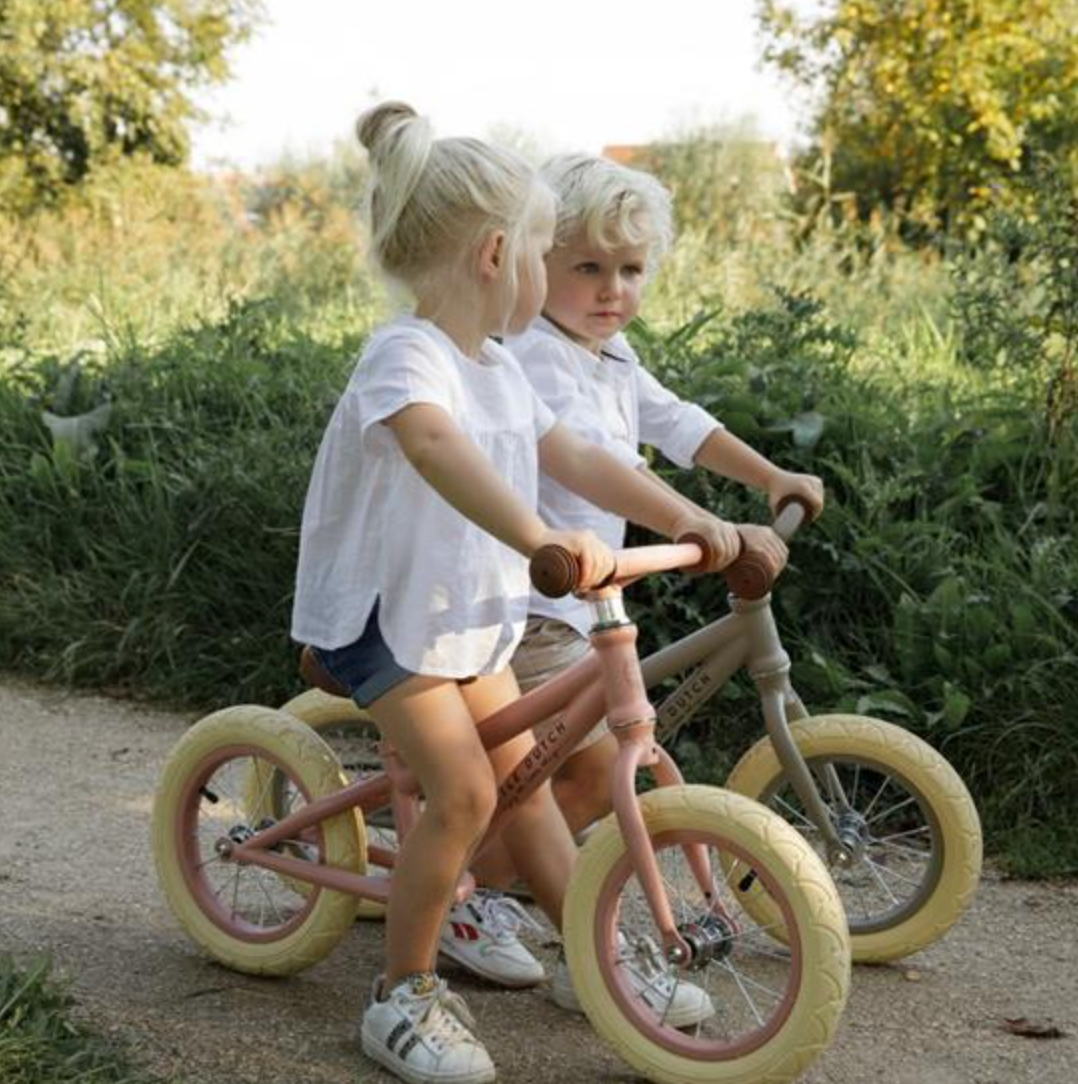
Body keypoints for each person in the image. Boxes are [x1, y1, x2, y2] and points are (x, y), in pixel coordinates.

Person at [291, 105, 738, 1084]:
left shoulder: (498, 367)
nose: (547, 273)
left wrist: (683, 515)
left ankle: (592, 952)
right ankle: (400, 993)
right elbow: (435, 447)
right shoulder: (406, 358)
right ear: (498, 254)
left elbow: (574, 452)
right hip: (382, 618)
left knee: (527, 770)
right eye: (545, 250)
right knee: (465, 791)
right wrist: (539, 534)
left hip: (459, 612)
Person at [463, 155, 824, 1014]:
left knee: (581, 773)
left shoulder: (610, 349)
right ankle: (470, 895)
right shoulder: (537, 357)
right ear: (537, 263)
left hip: (585, 604)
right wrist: (698, 524)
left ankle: (498, 884)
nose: (612, 289)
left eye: (629, 270)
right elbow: (597, 468)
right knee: (581, 773)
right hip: (528, 607)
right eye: (586, 267)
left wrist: (770, 476)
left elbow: (677, 423)